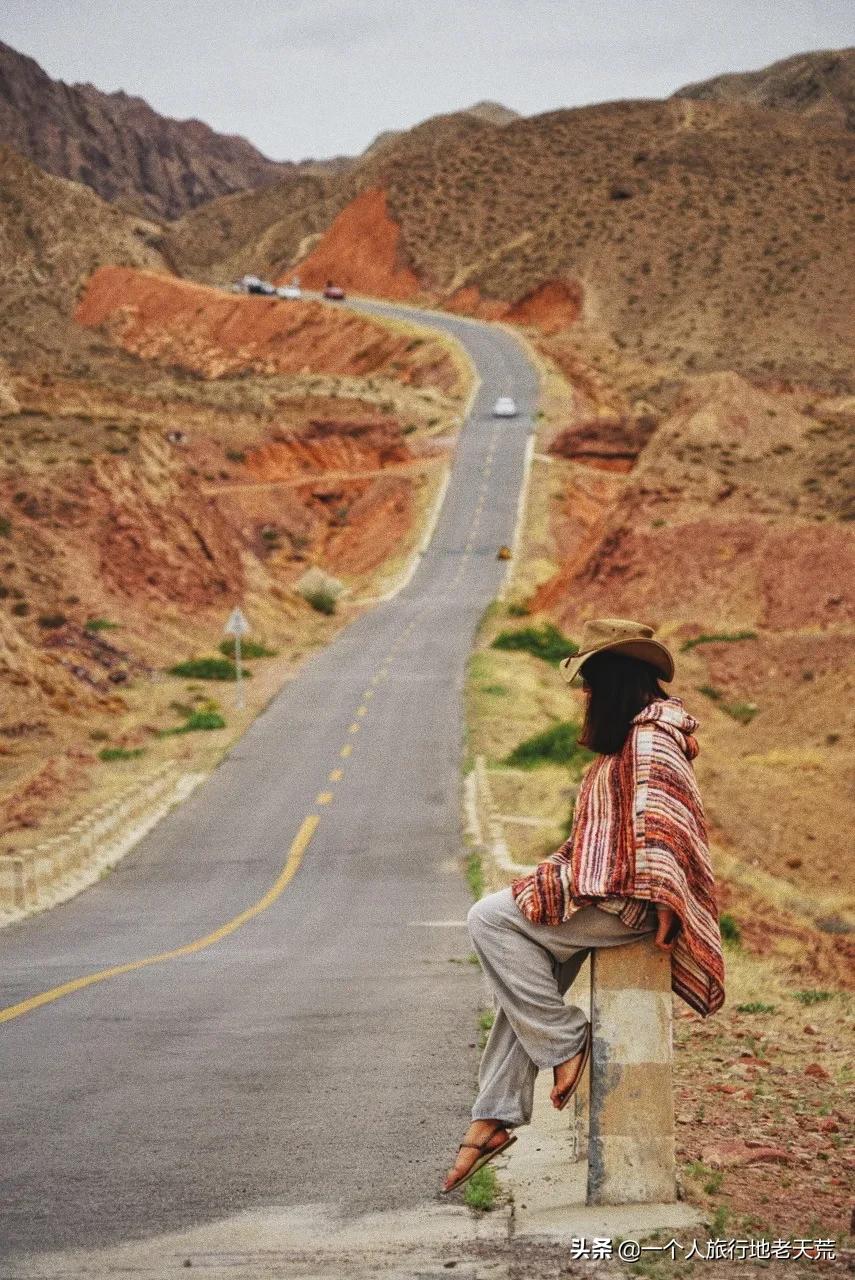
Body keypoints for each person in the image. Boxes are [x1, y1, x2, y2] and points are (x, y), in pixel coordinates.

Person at [441, 617, 725, 1194]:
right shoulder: (640, 735)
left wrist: (667, 894)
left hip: (631, 903)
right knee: (527, 980)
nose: (587, 699)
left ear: (615, 682)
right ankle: (490, 1119)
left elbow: (663, 824)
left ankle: (567, 1043)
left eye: (592, 687)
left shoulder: (651, 738)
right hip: (609, 890)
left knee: (489, 920)